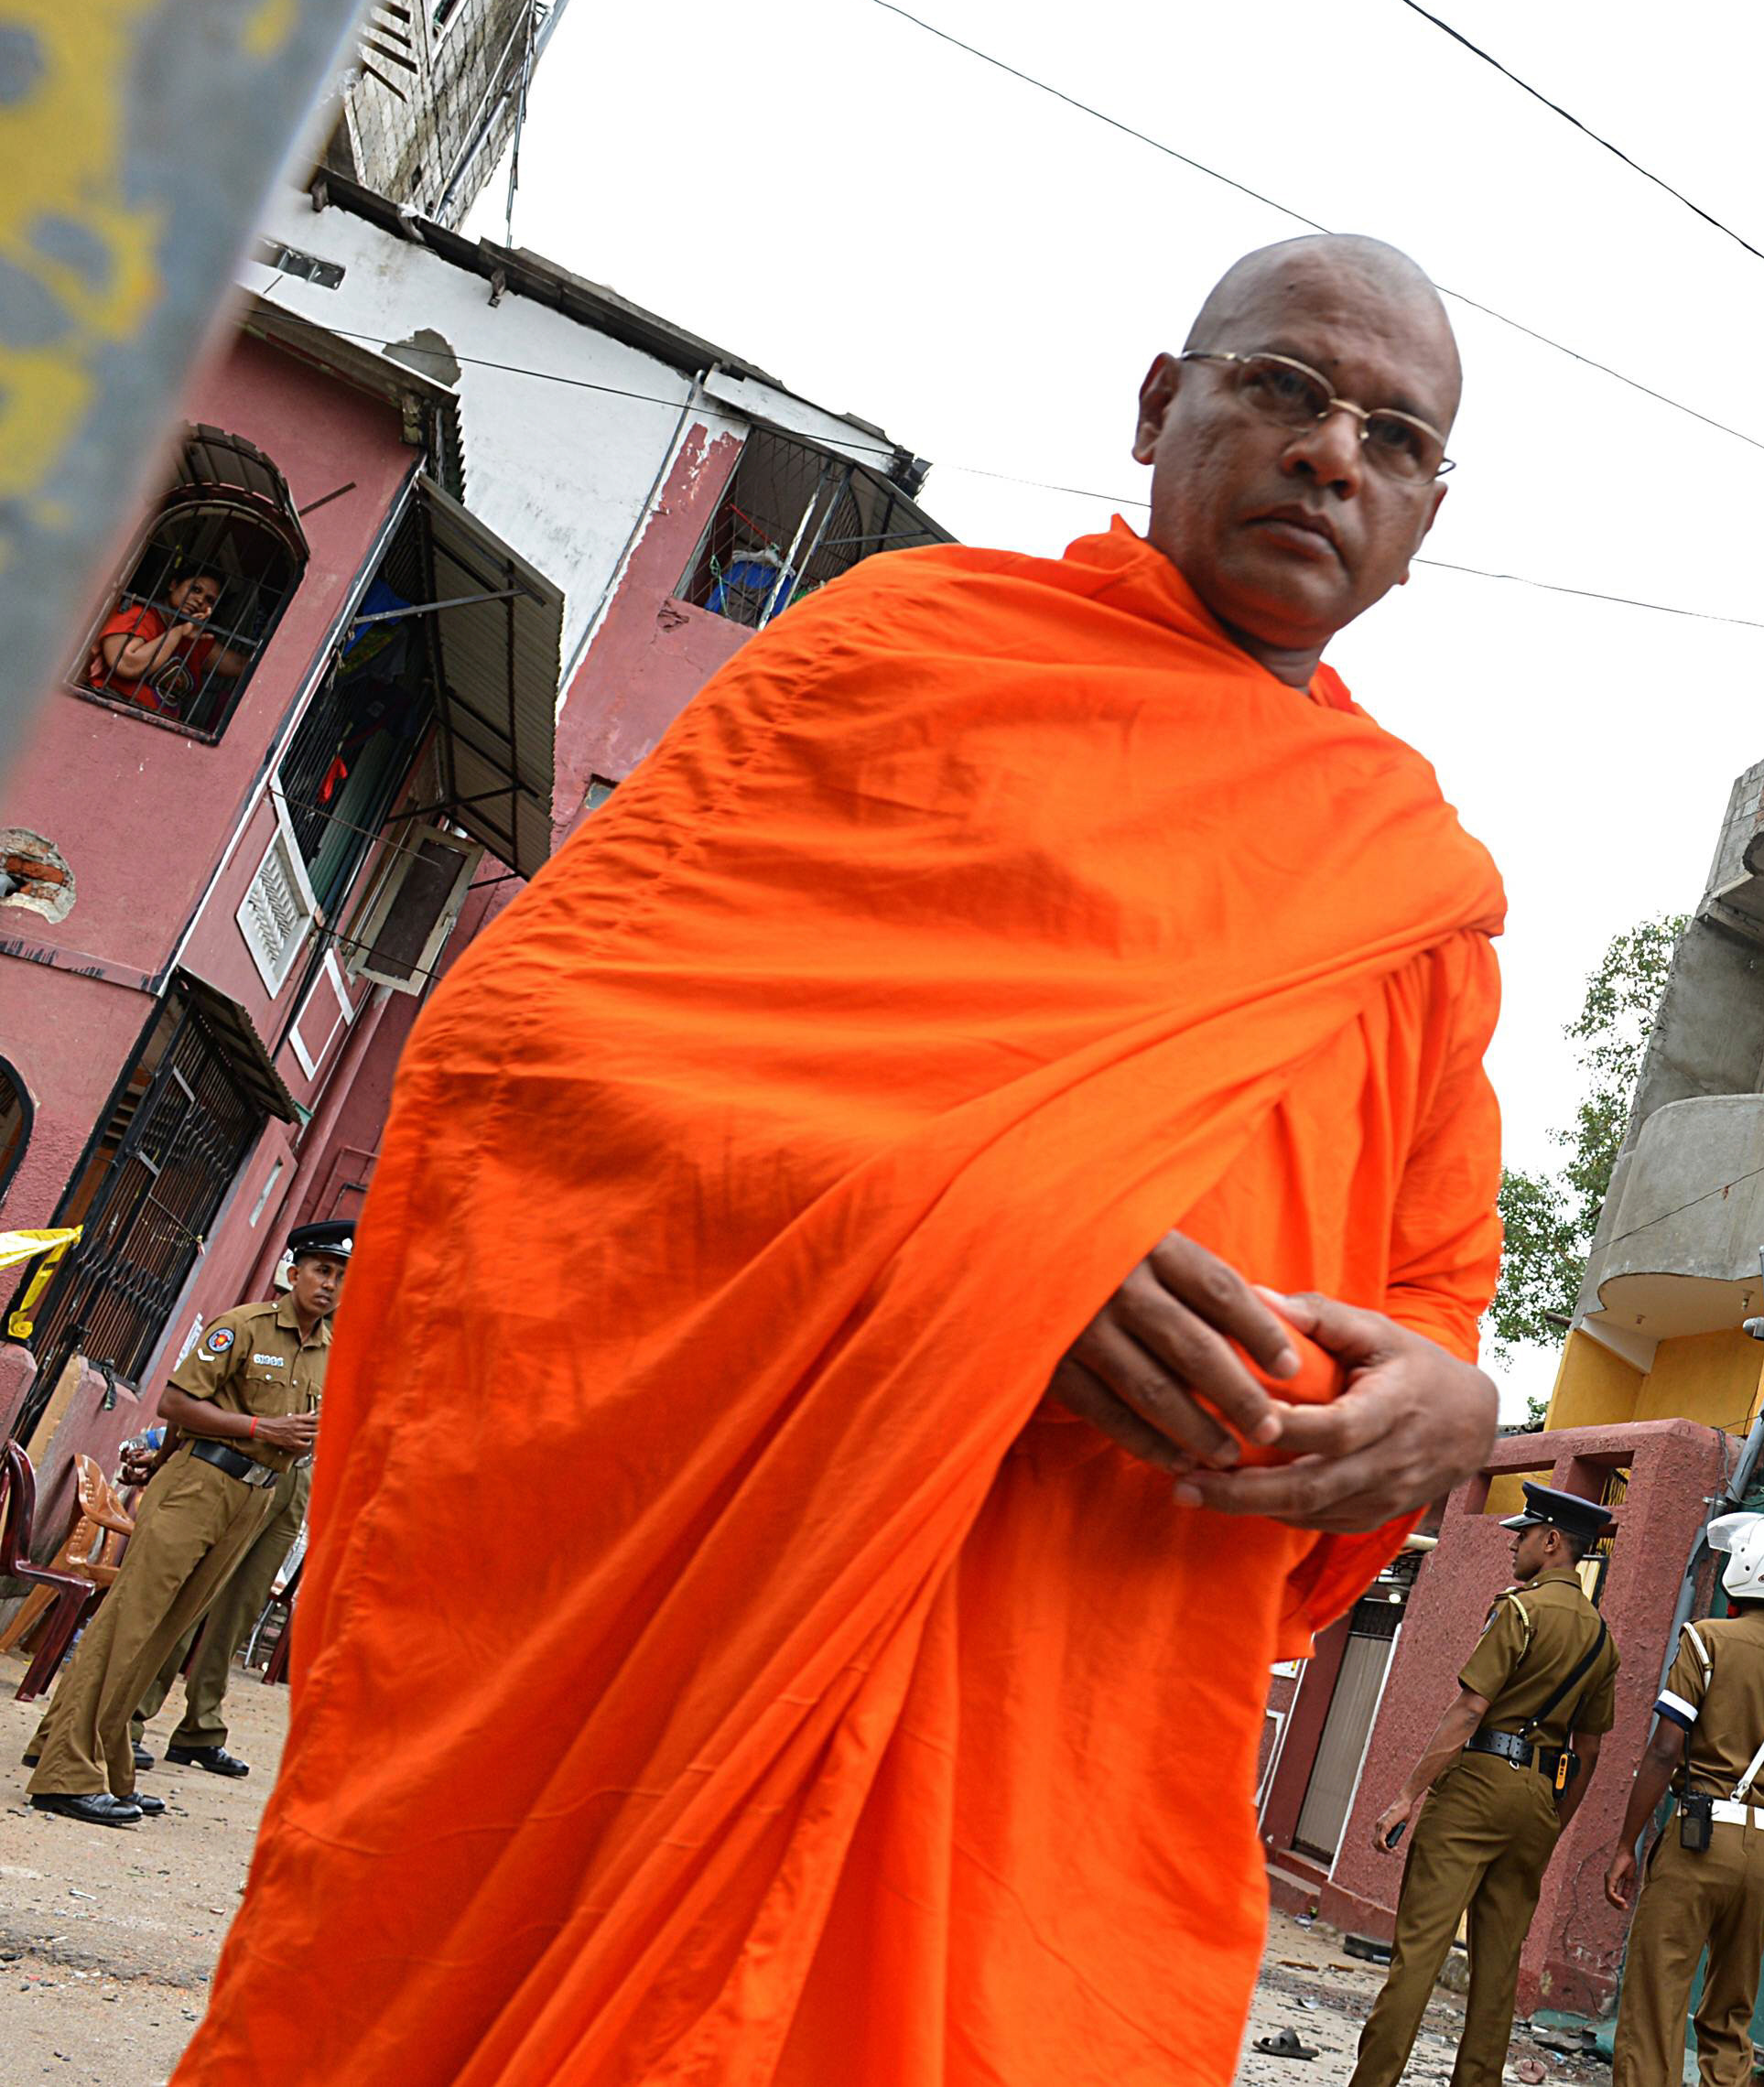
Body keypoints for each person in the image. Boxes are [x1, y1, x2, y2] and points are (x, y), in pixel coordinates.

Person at [173, 235, 1505, 2087]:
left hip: (1089, 1707)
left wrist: (1447, 1404)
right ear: (1157, 403)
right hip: (725, 1619)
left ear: (1430, 509)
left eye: (1394, 435)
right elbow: (529, 1054)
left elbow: (1432, 1280)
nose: (1332, 453)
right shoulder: (895, 660)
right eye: (1282, 388)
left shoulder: (1410, 899)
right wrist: (986, 1249)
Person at [22, 1220, 344, 1825]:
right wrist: (256, 1430)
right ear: (294, 1272)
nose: (331, 1285)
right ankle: (64, 1774)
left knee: (166, 1631)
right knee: (130, 1622)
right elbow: (175, 1403)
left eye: (341, 1276)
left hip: (254, 1497)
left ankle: (91, 1756)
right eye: (323, 1269)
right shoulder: (243, 1327)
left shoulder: (330, 1352)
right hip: (201, 1483)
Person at [1350, 1482, 1620, 2087]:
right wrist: (1553, 1819)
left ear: (1551, 1541)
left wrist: (1406, 1795)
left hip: (1475, 1785)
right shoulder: (1601, 1637)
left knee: (1419, 1952)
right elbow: (1591, 1748)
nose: (1513, 1545)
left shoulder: (1519, 1609)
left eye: (1523, 1534)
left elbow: (1471, 1708)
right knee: (1498, 1969)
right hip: (1537, 1800)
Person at [1602, 1513, 1764, 2087]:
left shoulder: (1705, 1640)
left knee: (1658, 1995)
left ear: (1750, 1570)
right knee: (1731, 2011)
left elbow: (1663, 1752)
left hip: (1698, 1838)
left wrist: (1627, 1843)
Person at [130, 1400, 311, 1778]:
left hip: (300, 1474)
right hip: (246, 1461)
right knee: (193, 1598)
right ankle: (131, 1716)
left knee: (242, 1607)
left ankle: (201, 1728)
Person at [83, 568, 251, 719]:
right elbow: (126, 664)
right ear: (173, 585)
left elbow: (240, 665)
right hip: (108, 711)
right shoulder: (140, 616)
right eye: (195, 589)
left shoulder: (195, 637)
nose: (200, 600)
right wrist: (177, 633)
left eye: (209, 600)